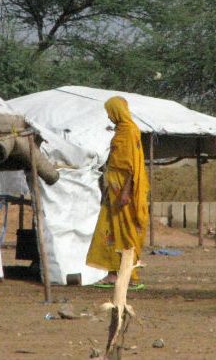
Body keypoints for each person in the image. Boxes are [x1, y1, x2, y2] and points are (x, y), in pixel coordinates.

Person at [86, 96, 149, 288]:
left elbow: (133, 166)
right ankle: (113, 273)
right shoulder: (120, 131)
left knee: (127, 231)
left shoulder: (130, 131)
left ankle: (128, 275)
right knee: (109, 230)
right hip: (113, 188)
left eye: (110, 112)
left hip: (125, 190)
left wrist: (125, 192)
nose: (108, 116)